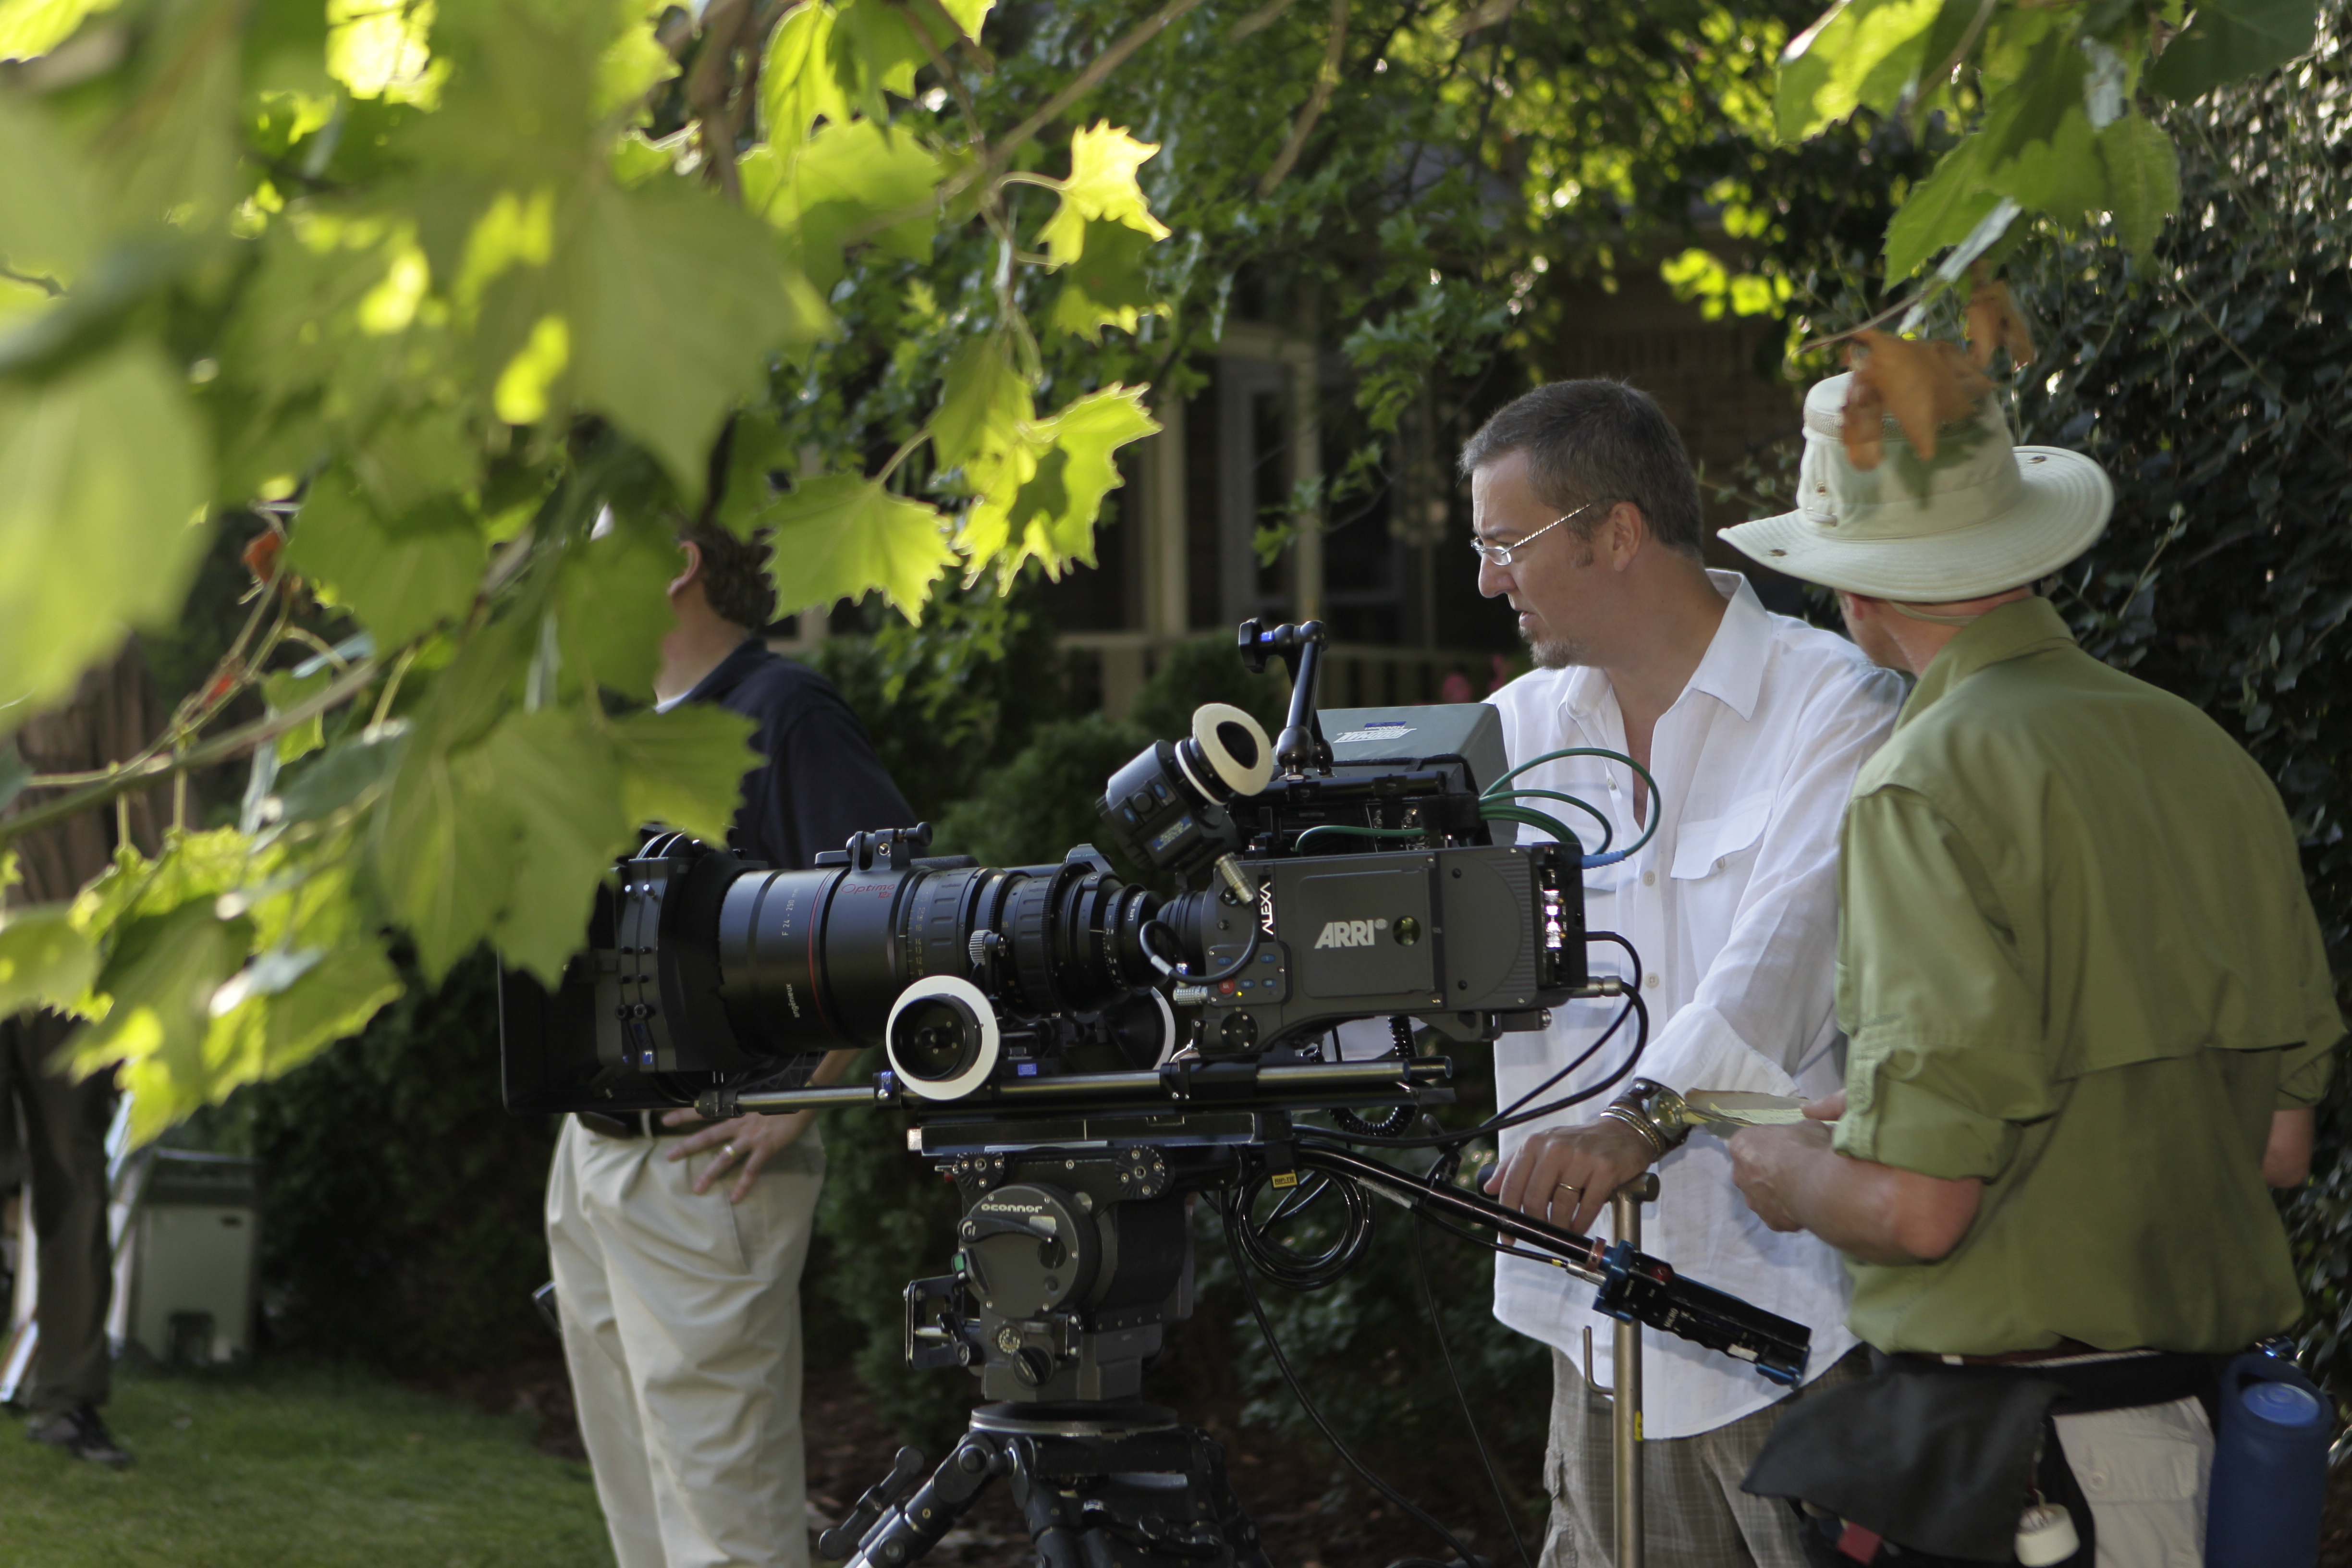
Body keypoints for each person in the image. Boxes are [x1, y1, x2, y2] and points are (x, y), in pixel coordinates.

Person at [1719, 374, 2340, 1568]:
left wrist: (1793, 1170)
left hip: (2035, 1484)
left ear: (1851, 584)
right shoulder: (2207, 755)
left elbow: (1921, 1210)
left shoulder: (1922, 782)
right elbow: (2274, 1148)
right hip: (2198, 1450)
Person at [1461, 379, 1906, 1568]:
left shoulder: (1836, 704)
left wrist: (1638, 1122)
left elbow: (1787, 961)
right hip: (1592, 1334)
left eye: (1506, 544)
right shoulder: (1514, 735)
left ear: (1615, 533)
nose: (1488, 580)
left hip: (1791, 1325)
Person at [545, 522, 916, 1568]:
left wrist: (799, 1101)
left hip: (708, 1171)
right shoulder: (629, 725)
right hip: (591, 1165)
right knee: (643, 1525)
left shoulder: (785, 715)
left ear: (677, 562)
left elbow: (895, 918)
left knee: (726, 1533)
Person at [0, 646, 165, 1469]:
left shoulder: (101, 636)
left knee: (69, 1166)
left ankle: (66, 1398)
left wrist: (167, 944)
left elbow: (154, 793)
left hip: (70, 960)